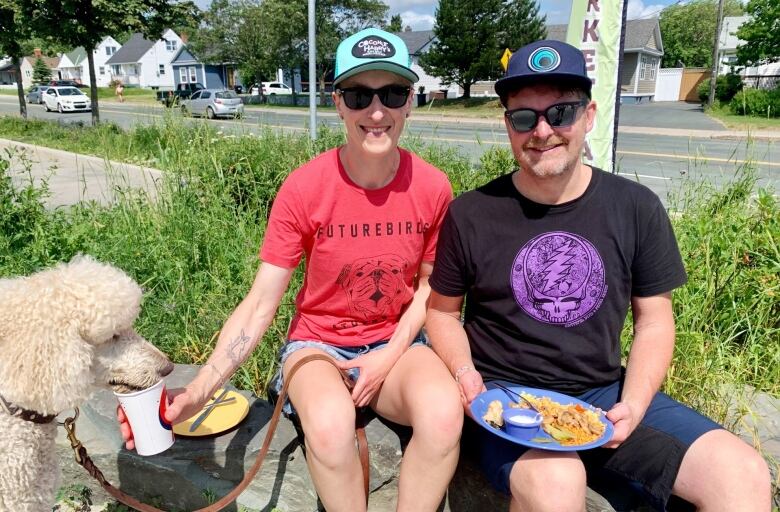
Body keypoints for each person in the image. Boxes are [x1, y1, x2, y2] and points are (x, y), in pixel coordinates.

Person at [118, 28, 462, 511]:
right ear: (338, 103)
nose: (377, 111)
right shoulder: (305, 188)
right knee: (327, 422)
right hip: (318, 343)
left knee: (445, 415)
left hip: (395, 343)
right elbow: (262, 302)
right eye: (360, 95)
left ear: (410, 102)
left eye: (393, 94)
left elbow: (432, 287)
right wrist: (200, 389)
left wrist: (390, 355)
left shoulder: (432, 186)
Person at [425, 40, 771, 512]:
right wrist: (467, 377)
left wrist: (633, 403)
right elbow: (442, 314)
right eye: (524, 118)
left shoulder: (636, 207)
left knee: (742, 474)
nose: (542, 131)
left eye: (560, 113)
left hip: (603, 395)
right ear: (507, 125)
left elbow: (654, 321)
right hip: (508, 404)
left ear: (588, 115)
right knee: (556, 483)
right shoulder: (472, 213)